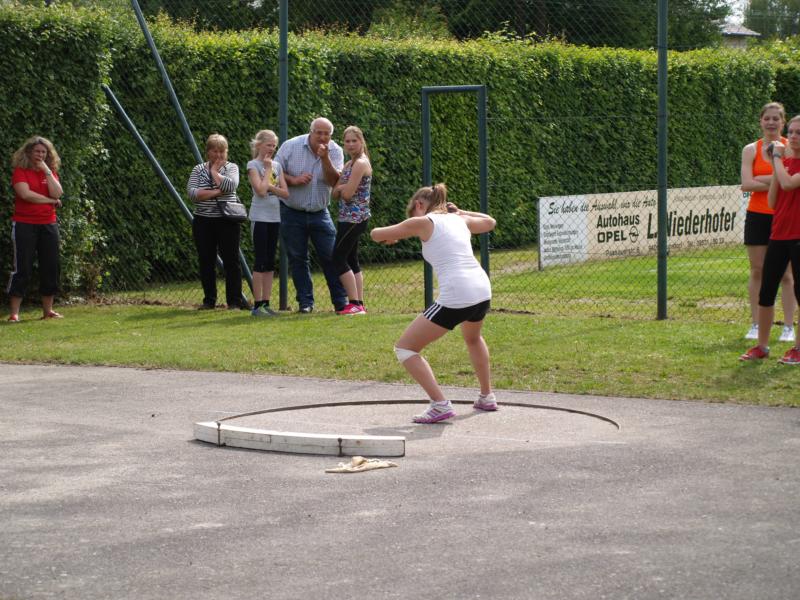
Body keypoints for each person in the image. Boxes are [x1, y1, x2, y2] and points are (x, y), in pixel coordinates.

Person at [370, 183, 497, 423]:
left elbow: (376, 233)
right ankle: (486, 396)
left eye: (413, 213)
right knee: (473, 338)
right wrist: (461, 212)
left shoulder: (424, 221)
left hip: (458, 294)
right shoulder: (459, 219)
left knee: (405, 349)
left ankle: (439, 405)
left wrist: (394, 234)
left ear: (419, 205)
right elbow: (490, 222)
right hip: (481, 289)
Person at [740, 114, 800, 364]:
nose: (793, 136)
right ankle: (762, 346)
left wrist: (776, 159)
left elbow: (788, 184)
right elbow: (774, 200)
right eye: (792, 132)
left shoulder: (785, 163)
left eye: (798, 133)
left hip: (798, 236)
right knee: (766, 291)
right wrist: (778, 167)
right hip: (779, 234)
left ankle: (797, 348)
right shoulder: (784, 164)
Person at [274, 117, 348, 314]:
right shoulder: (291, 146)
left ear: (331, 135)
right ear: (311, 132)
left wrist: (325, 159)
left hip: (319, 212)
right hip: (291, 211)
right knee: (298, 259)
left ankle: (340, 302)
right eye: (319, 133)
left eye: (326, 134)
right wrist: (293, 180)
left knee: (331, 257)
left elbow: (335, 182)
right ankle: (305, 303)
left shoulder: (335, 151)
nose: (322, 137)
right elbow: (272, 173)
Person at [187, 133, 249, 310]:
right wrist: (217, 192)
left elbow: (231, 186)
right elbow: (193, 194)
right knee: (206, 260)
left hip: (227, 220)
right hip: (203, 221)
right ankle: (209, 300)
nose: (219, 155)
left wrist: (214, 172)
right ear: (208, 152)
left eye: (222, 151)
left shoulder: (232, 168)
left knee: (231, 261)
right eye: (215, 151)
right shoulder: (198, 169)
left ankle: (234, 301)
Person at [6, 136, 64, 322]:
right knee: (22, 267)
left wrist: (46, 171)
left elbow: (58, 192)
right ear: (29, 152)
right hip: (24, 224)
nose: (40, 154)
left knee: (51, 266)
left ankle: (48, 311)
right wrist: (50, 201)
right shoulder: (20, 171)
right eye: (37, 151)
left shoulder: (50, 172)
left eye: (44, 152)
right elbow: (25, 194)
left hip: (49, 224)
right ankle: (14, 313)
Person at [247, 129, 288, 317]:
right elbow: (261, 191)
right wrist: (268, 171)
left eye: (274, 145)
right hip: (259, 217)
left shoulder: (278, 166)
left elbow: (285, 193)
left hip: (274, 218)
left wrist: (271, 185)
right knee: (261, 260)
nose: (271, 148)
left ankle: (266, 303)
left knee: (270, 261)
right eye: (268, 145)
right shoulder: (253, 165)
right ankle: (257, 306)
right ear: (259, 145)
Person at [331, 126, 372, 315]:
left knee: (338, 258)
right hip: (345, 218)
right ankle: (359, 304)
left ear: (361, 141)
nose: (350, 144)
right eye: (347, 141)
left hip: (355, 219)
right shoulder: (349, 164)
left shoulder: (361, 163)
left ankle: (354, 303)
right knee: (351, 259)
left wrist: (343, 188)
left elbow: (346, 195)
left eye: (354, 141)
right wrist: (343, 188)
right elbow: (334, 194)